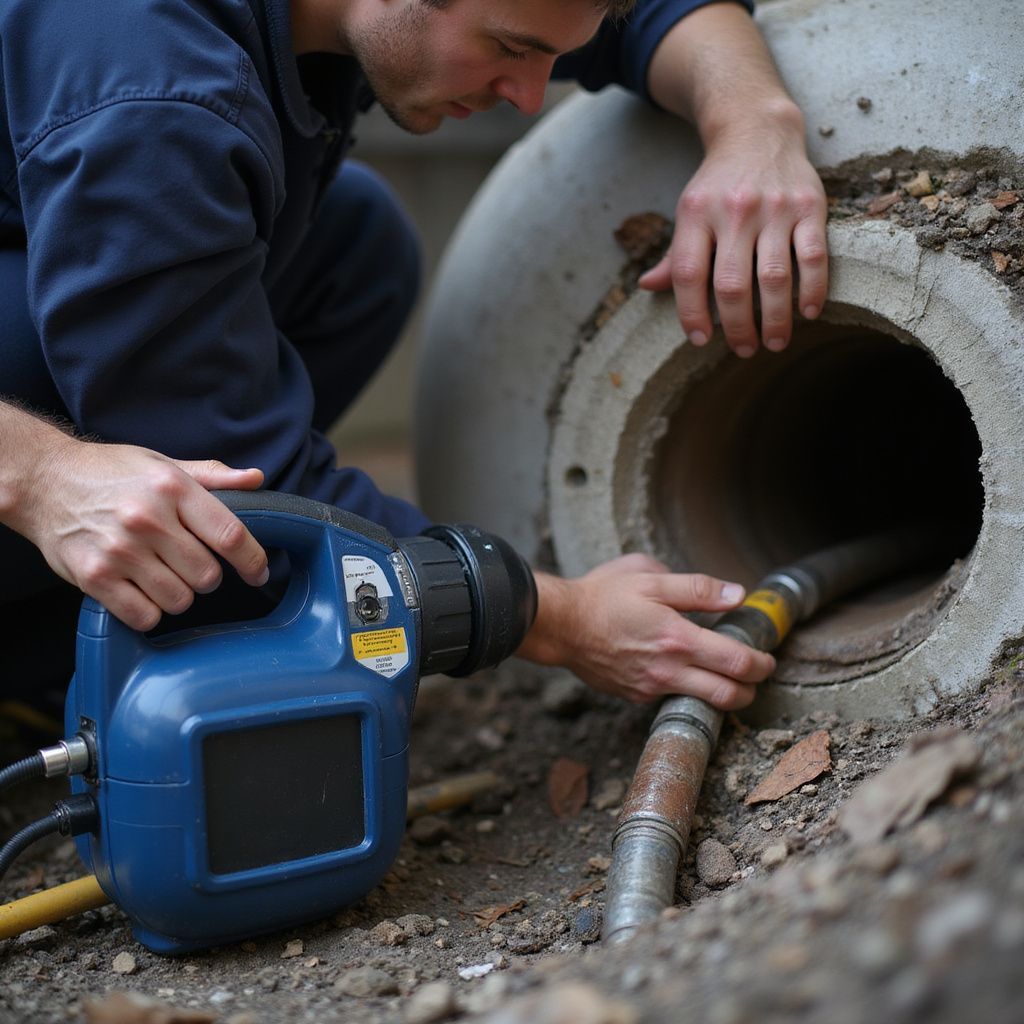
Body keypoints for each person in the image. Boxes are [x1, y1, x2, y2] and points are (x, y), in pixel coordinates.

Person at [0, 0, 826, 707]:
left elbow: (652, 12)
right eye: (511, 49)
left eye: (550, 57)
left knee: (360, 245)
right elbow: (229, 468)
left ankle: (59, 648)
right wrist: (558, 617)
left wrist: (754, 124)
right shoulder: (154, 100)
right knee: (117, 416)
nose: (531, 97)